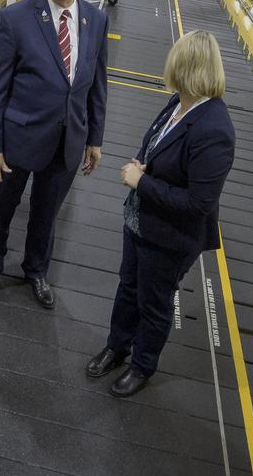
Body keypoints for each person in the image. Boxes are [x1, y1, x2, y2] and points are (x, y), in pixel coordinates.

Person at [86, 31, 235, 397]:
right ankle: (117, 347)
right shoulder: (179, 103)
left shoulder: (215, 130)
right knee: (128, 288)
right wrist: (144, 165)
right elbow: (156, 142)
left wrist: (141, 182)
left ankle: (142, 365)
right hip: (140, 221)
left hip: (170, 237)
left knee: (153, 303)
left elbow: (198, 203)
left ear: (184, 67)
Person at [0, 0, 109, 310]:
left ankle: (36, 270)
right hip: (16, 142)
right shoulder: (15, 19)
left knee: (47, 216)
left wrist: (94, 138)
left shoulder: (95, 20)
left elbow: (97, 85)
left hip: (67, 142)